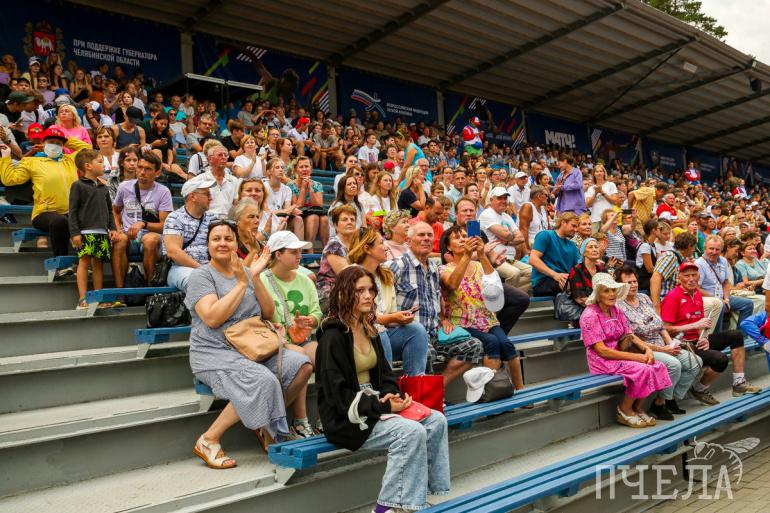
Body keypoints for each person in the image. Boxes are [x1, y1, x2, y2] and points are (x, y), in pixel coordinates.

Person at [316, 266, 450, 512]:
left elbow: (386, 374)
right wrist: (383, 406)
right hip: (348, 416)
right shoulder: (332, 336)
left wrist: (392, 395)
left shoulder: (369, 328)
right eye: (360, 291)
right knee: (410, 432)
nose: (368, 295)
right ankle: (385, 507)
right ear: (344, 294)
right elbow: (338, 396)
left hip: (375, 405)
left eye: (371, 290)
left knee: (436, 420)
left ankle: (415, 497)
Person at [188, 221, 313, 464]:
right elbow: (212, 318)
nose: (222, 243)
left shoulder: (246, 272)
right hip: (214, 352)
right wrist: (242, 285)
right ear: (208, 244)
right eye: (216, 238)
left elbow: (268, 312)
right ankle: (209, 439)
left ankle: (264, 424)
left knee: (302, 365)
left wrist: (253, 276)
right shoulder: (201, 276)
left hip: (252, 347)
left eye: (228, 238)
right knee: (263, 380)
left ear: (236, 244)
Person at [390, 221, 484, 385]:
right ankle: (423, 395)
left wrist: (443, 318)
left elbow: (435, 298)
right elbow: (382, 301)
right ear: (408, 241)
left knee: (474, 346)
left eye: (429, 235)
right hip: (409, 335)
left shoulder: (433, 267)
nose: (426, 238)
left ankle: (437, 389)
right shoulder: (396, 266)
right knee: (427, 353)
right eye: (421, 235)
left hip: (434, 333)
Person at [579, 273, 672, 428]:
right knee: (642, 369)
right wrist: (637, 357)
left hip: (620, 356)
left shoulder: (616, 310)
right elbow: (602, 351)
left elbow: (630, 335)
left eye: (613, 290)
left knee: (658, 366)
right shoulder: (590, 315)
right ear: (598, 295)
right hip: (602, 361)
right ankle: (624, 409)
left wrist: (647, 349)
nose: (611, 294)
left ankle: (638, 408)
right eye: (606, 291)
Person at [661, 261, 761, 405]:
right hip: (682, 345)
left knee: (736, 335)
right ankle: (699, 389)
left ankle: (739, 383)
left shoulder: (696, 294)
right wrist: (693, 326)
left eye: (694, 275)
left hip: (697, 341)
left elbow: (702, 324)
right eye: (687, 275)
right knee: (720, 359)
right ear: (679, 277)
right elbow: (666, 330)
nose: (691, 279)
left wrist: (705, 338)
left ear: (698, 276)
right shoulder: (673, 297)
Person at [439, 226, 525, 391]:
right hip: (463, 322)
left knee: (507, 345)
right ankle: (494, 391)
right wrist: (466, 256)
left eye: (465, 235)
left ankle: (521, 390)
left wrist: (481, 254)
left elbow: (493, 281)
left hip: (487, 320)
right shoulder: (444, 269)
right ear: (448, 246)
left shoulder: (478, 265)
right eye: (457, 237)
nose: (463, 239)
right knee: (492, 342)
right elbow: (451, 285)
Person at [617, 266, 702, 421]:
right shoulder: (618, 306)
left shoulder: (644, 298)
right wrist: (663, 350)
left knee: (695, 362)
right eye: (628, 283)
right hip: (640, 349)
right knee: (674, 365)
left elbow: (660, 326)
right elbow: (631, 337)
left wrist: (670, 344)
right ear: (620, 285)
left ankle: (669, 398)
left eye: (635, 281)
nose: (633, 285)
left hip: (661, 344)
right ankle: (660, 403)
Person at [0, 127, 91, 262]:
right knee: (60, 221)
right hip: (44, 213)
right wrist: (6, 157)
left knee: (88, 219)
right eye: (51, 142)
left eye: (58, 143)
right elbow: (9, 179)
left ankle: (85, 264)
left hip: (71, 212)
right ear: (44, 144)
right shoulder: (32, 162)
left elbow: (87, 148)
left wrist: (65, 139)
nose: (54, 145)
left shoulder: (70, 160)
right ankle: (62, 263)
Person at [350, 228, 430, 376]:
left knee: (417, 330)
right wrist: (392, 318)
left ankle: (415, 382)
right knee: (379, 332)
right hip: (356, 335)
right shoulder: (351, 274)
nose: (386, 247)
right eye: (381, 243)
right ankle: (386, 385)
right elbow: (361, 316)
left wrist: (401, 317)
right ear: (367, 249)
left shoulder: (386, 275)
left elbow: (390, 315)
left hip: (383, 332)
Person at [111, 151, 173, 287]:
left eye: (148, 169)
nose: (142, 172)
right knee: (119, 240)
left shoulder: (163, 192)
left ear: (157, 172)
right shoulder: (124, 187)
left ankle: (150, 288)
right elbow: (115, 210)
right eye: (140, 167)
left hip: (151, 236)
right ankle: (120, 291)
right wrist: (118, 229)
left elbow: (164, 225)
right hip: (128, 236)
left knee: (150, 240)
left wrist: (143, 224)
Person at [68, 149, 117, 309]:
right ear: (88, 166)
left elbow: (109, 211)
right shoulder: (77, 186)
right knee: (84, 262)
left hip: (102, 233)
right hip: (85, 233)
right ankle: (83, 299)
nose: (104, 165)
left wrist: (112, 228)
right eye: (100, 162)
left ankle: (97, 298)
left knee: (98, 264)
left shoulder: (104, 188)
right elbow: (73, 211)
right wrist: (75, 233)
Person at [163, 176, 217, 292]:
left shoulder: (213, 218)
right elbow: (173, 252)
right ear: (193, 196)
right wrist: (203, 270)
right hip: (180, 268)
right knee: (199, 282)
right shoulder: (175, 218)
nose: (211, 198)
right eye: (207, 194)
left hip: (211, 268)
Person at [696, 235, 753, 333]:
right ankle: (716, 337)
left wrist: (726, 299)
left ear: (721, 250)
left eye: (717, 249)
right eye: (711, 249)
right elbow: (697, 288)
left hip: (723, 297)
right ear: (705, 248)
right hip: (707, 299)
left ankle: (741, 335)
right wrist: (717, 299)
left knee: (748, 304)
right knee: (719, 305)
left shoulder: (723, 261)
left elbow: (725, 282)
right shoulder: (699, 264)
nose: (714, 252)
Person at [479, 186, 532, 290]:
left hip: (510, 258)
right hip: (494, 259)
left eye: (505, 198)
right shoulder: (487, 214)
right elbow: (506, 234)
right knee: (514, 273)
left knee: (533, 272)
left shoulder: (506, 216)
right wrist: (510, 236)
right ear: (491, 200)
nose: (503, 201)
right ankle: (509, 296)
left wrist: (508, 242)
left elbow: (521, 238)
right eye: (499, 198)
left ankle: (508, 293)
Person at [317, 204, 359, 311]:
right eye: (344, 219)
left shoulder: (357, 243)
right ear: (336, 225)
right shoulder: (333, 245)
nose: (349, 222)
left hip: (352, 290)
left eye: (352, 219)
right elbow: (347, 275)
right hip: (331, 294)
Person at [529, 212, 581, 296]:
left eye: (577, 227)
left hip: (564, 279)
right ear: (563, 222)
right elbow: (533, 259)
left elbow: (579, 266)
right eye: (573, 226)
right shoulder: (546, 235)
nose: (575, 230)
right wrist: (555, 275)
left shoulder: (572, 245)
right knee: (570, 285)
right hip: (544, 281)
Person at [288, 156, 328, 248]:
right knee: (313, 217)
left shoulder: (317, 185)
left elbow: (319, 205)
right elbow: (297, 206)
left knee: (324, 219)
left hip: (312, 213)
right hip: (297, 215)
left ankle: (326, 250)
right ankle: (310, 250)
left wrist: (310, 188)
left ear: (311, 169)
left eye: (306, 166)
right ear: (296, 169)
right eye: (301, 167)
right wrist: (303, 188)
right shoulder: (290, 185)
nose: (304, 169)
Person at [566, 237, 606, 319]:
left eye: (596, 247)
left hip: (603, 308)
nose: (594, 249)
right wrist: (602, 306)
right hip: (584, 312)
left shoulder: (602, 270)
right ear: (583, 252)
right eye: (590, 247)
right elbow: (580, 299)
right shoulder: (577, 270)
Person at [328, 173, 365, 237]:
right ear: (343, 189)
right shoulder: (337, 206)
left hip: (358, 238)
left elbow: (364, 226)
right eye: (349, 184)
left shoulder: (359, 205)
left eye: (354, 183)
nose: (353, 186)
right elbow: (337, 230)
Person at [517, 184, 550, 254]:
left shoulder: (543, 208)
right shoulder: (527, 207)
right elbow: (523, 230)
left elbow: (548, 229)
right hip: (532, 243)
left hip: (543, 243)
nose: (547, 198)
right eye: (546, 195)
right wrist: (527, 250)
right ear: (539, 196)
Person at [635, 220, 659, 291]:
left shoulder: (652, 245)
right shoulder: (645, 246)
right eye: (659, 229)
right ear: (653, 230)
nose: (661, 231)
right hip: (644, 281)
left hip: (650, 279)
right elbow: (650, 269)